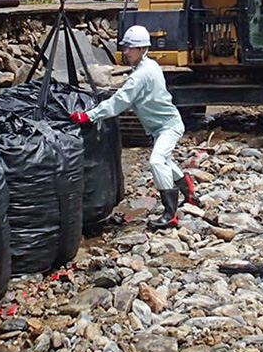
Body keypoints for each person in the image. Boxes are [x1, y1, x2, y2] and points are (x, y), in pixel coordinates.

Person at [69, 24, 196, 229]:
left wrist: (88, 116)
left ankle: (170, 213)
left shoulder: (140, 76)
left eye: (130, 48)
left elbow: (118, 103)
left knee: (156, 162)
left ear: (143, 49)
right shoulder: (150, 66)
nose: (126, 51)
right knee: (165, 160)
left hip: (168, 127)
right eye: (125, 47)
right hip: (160, 126)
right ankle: (188, 189)